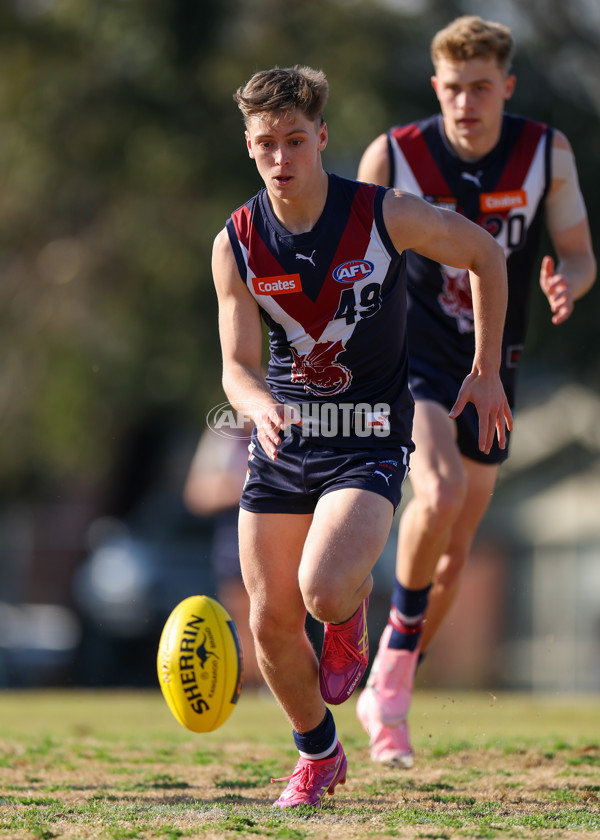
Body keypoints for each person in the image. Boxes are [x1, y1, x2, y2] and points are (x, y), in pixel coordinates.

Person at [212, 64, 512, 808]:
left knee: (319, 590)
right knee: (269, 621)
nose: (281, 158)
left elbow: (487, 255)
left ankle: (347, 615)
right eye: (264, 145)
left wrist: (485, 369)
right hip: (285, 442)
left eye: (293, 140)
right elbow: (236, 367)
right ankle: (318, 756)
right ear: (249, 147)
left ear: (320, 137)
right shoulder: (238, 242)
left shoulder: (385, 215)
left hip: (370, 436)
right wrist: (256, 405)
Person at [355, 15, 596, 768]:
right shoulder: (394, 155)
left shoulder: (544, 154)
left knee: (456, 556)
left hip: (496, 363)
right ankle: (389, 686)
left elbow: (582, 254)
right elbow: (350, 257)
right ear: (437, 87)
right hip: (414, 359)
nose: (467, 104)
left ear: (506, 88)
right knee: (439, 487)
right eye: (454, 89)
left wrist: (568, 283)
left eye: (482, 89)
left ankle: (391, 679)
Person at [183, 419, 264, 688]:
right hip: (234, 541)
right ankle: (250, 688)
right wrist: (243, 485)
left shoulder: (284, 425)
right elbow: (197, 493)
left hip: (275, 534)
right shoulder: (222, 436)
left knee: (272, 621)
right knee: (243, 625)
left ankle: (271, 687)